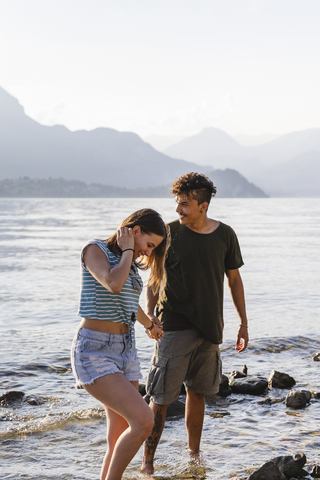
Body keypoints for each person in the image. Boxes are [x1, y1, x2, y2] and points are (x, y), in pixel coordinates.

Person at [141, 172, 249, 474]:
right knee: (160, 398)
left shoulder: (225, 234)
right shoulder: (167, 233)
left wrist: (243, 323)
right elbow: (153, 279)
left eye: (185, 204)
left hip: (210, 328)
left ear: (203, 205)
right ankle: (147, 464)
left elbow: (235, 280)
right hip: (172, 327)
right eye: (177, 203)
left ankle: (193, 455)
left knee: (198, 393)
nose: (178, 210)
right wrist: (151, 317)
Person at [71, 208, 169, 480]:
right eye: (149, 245)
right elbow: (113, 283)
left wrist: (149, 324)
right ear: (135, 231)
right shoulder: (95, 250)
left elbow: (126, 299)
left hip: (125, 351)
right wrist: (127, 250)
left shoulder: (128, 262)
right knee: (144, 421)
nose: (148, 253)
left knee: (118, 434)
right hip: (94, 351)